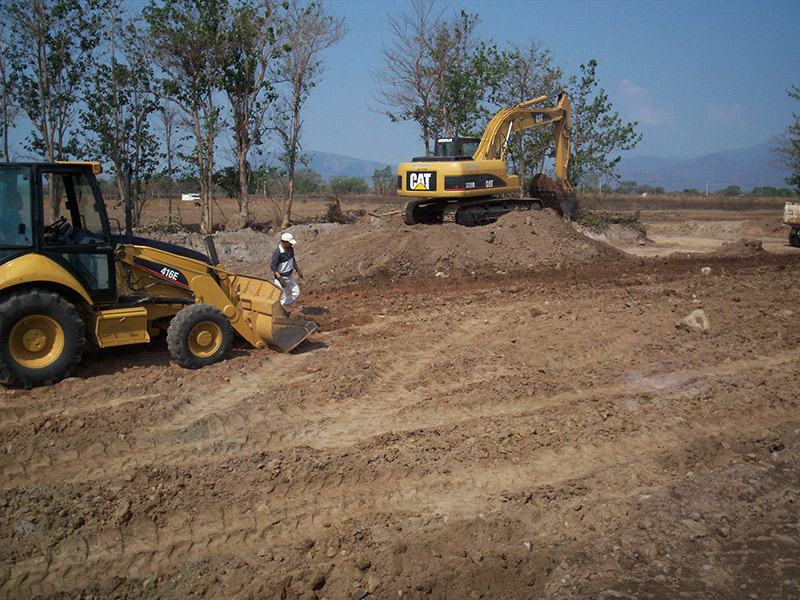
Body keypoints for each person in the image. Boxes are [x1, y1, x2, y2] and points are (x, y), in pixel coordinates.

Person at [271, 232, 303, 306]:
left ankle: (284, 305)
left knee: (296, 293)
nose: (291, 244)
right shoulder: (278, 252)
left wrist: (297, 269)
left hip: (289, 276)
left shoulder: (290, 249)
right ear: (284, 242)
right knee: (282, 297)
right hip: (281, 278)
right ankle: (281, 309)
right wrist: (280, 278)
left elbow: (293, 259)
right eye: (289, 243)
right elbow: (273, 266)